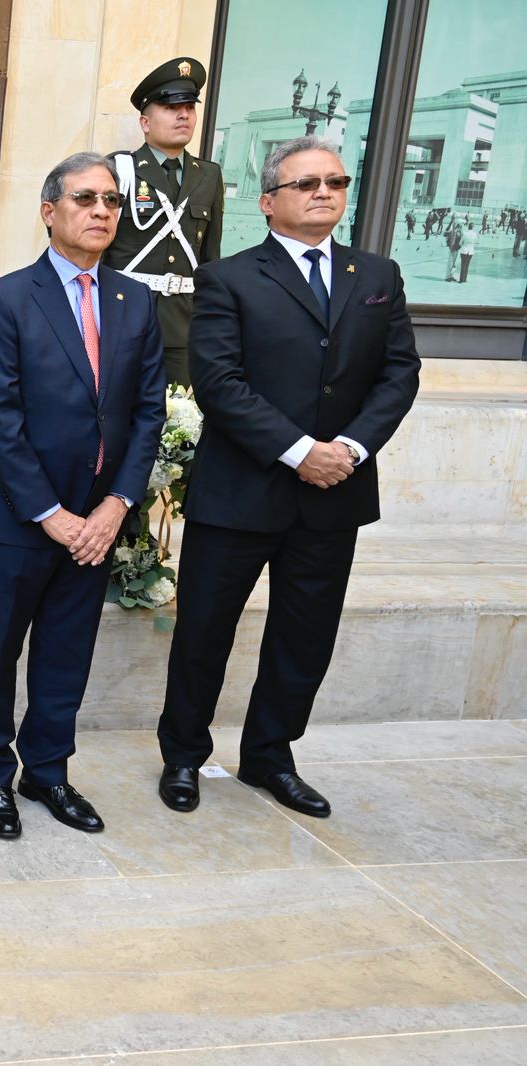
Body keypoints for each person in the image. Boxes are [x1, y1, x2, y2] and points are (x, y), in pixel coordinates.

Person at [156, 137, 420, 817]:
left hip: (336, 496)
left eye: (334, 180)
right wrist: (301, 449)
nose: (324, 192)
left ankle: (270, 757)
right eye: (306, 183)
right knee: (205, 634)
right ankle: (183, 756)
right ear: (270, 202)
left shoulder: (378, 275)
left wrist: (352, 449)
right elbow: (218, 382)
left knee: (304, 637)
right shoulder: (230, 278)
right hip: (240, 494)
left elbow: (399, 374)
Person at [0, 152, 166, 839]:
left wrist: (115, 507)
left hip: (99, 520)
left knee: (66, 652)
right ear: (50, 212)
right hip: (24, 519)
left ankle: (46, 771)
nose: (102, 211)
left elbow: (148, 413)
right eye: (86, 199)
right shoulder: (7, 298)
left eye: (111, 201)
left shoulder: (135, 301)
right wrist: (51, 514)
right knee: (0, 651)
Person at [103, 57, 223, 387]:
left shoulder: (209, 175)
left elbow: (210, 259)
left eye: (189, 107)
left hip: (183, 325)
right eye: (171, 107)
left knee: (176, 424)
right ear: (145, 121)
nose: (183, 114)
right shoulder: (119, 168)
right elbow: (95, 246)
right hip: (122, 315)